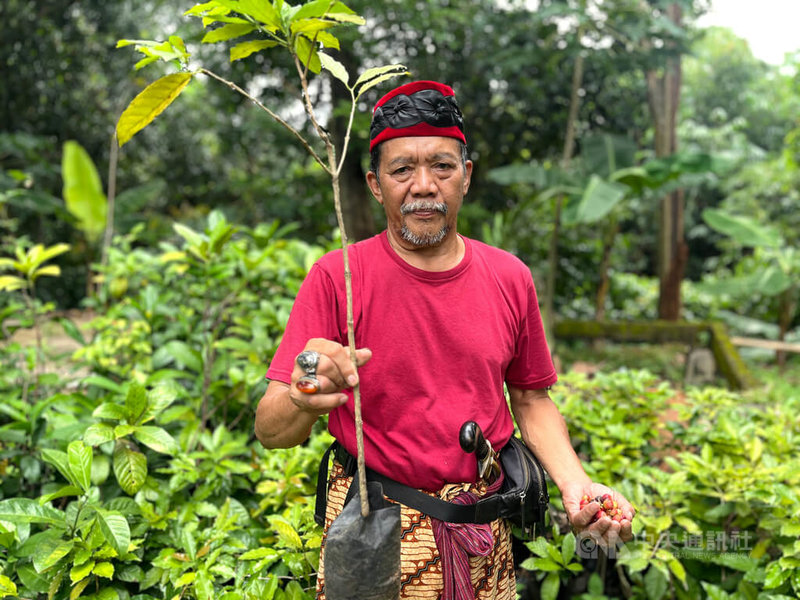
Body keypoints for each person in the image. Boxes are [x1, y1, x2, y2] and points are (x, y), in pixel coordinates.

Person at [255, 80, 634, 600]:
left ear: (466, 176)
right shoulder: (337, 277)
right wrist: (305, 395)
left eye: (442, 166)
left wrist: (576, 484)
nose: (424, 185)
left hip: (485, 536)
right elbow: (272, 429)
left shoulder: (509, 277)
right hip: (375, 532)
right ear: (374, 183)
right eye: (402, 169)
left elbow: (530, 397)